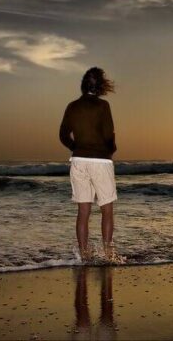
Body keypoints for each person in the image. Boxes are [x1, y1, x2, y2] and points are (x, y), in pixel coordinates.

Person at [59, 66, 118, 262]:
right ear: (100, 86)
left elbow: (63, 135)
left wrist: (76, 147)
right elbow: (109, 135)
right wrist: (111, 149)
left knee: (83, 211)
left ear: (83, 84)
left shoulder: (72, 106)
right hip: (100, 160)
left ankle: (84, 256)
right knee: (106, 209)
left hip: (78, 160)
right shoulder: (103, 106)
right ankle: (108, 254)